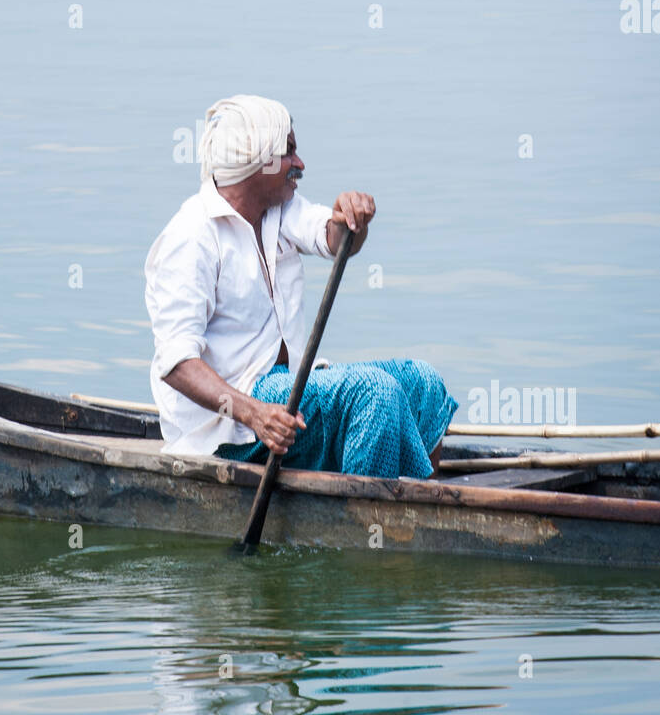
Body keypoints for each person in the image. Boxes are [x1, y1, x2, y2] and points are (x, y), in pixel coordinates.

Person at [144, 94, 457, 477]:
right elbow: (176, 363)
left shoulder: (279, 209)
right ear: (258, 162)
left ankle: (422, 506)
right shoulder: (191, 237)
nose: (300, 164)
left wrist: (350, 218)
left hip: (287, 389)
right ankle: (365, 527)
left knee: (421, 382)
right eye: (288, 153)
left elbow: (336, 240)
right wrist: (254, 413)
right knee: (373, 393)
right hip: (231, 426)